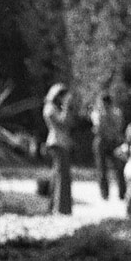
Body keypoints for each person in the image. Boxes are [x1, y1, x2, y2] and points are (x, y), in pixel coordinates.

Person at [42, 82, 74, 215]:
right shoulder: (50, 108)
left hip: (62, 143)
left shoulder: (56, 108)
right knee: (63, 176)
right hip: (57, 143)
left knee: (57, 176)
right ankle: (61, 208)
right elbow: (61, 123)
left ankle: (54, 206)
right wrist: (66, 107)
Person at [90, 91, 126, 201]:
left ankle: (122, 193)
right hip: (101, 141)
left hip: (114, 141)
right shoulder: (97, 113)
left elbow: (118, 127)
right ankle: (104, 193)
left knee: (119, 168)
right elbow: (97, 127)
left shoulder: (116, 112)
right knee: (102, 169)